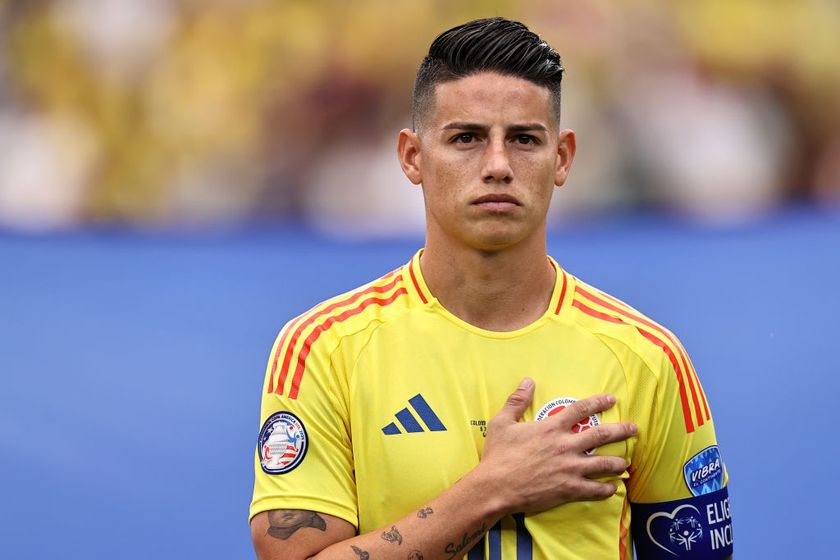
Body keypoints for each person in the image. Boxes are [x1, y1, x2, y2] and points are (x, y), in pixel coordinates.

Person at [250, 17, 732, 560]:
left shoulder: (649, 357)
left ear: (563, 158)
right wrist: (493, 488)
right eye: (466, 139)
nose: (498, 165)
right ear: (412, 156)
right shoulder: (323, 348)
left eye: (524, 139)